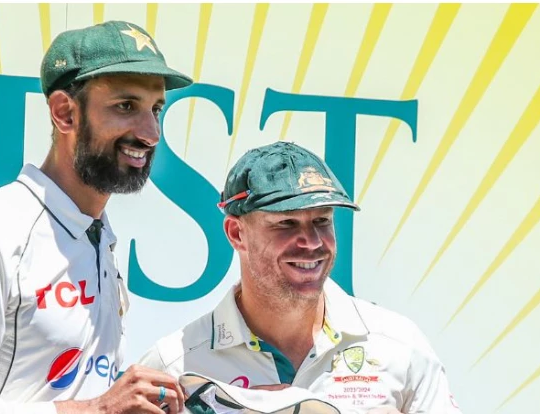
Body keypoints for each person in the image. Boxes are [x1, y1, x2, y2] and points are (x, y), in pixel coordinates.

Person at [0, 21, 192, 414]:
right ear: (64, 114)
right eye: (126, 106)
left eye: (156, 109)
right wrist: (98, 410)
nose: (151, 132)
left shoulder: (96, 232)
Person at [138, 142, 463, 413]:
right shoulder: (175, 365)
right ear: (237, 233)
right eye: (287, 224)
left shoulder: (399, 345)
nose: (312, 242)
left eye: (322, 221)